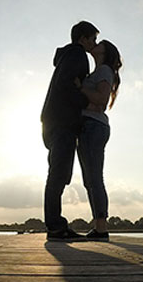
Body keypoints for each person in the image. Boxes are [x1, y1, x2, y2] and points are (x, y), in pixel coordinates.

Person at [41, 21, 99, 241]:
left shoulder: (67, 56)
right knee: (58, 175)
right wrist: (85, 99)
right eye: (92, 39)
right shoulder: (77, 55)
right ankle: (55, 227)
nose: (94, 44)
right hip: (62, 122)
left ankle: (55, 225)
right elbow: (67, 85)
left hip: (53, 121)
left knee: (59, 174)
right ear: (82, 38)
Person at [76, 40, 122, 242]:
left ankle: (101, 227)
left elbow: (102, 101)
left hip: (94, 127)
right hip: (89, 127)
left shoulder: (103, 70)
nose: (95, 44)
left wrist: (81, 88)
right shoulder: (98, 72)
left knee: (94, 178)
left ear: (105, 51)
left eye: (100, 43)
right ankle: (98, 226)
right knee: (89, 180)